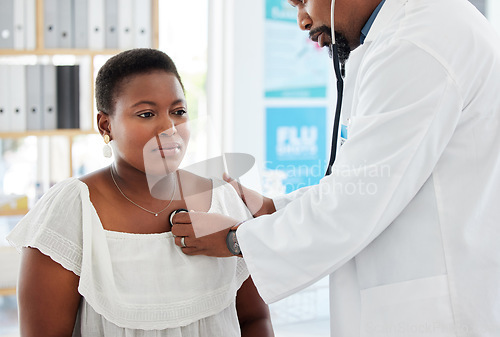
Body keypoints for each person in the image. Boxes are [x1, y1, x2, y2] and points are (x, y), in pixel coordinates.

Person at [170, 0, 500, 336]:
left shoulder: (416, 43)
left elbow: (353, 206)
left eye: (301, 1)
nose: (303, 20)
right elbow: (360, 182)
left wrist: (234, 241)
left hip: (439, 316)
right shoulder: (399, 37)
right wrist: (272, 209)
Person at [7, 48, 274, 337]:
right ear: (105, 125)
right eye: (146, 114)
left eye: (179, 112)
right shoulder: (73, 209)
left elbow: (255, 320)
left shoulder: (223, 197)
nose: (169, 128)